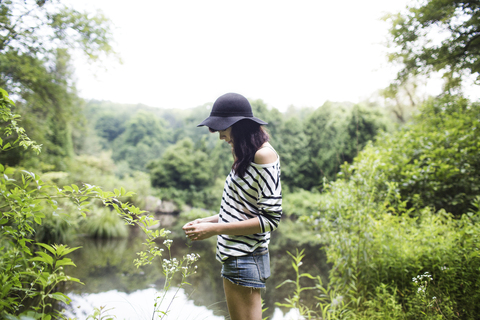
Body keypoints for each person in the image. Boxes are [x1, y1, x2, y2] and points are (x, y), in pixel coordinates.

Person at [182, 92, 282, 320]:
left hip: (244, 257)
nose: (220, 137)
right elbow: (237, 210)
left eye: (221, 129)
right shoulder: (246, 155)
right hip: (235, 257)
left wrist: (214, 230)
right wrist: (205, 221)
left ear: (238, 126)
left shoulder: (263, 156)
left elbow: (270, 219)